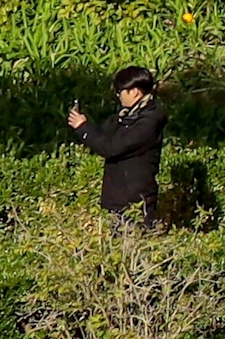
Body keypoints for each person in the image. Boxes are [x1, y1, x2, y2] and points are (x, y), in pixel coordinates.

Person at [67, 67, 165, 227]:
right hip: (118, 200)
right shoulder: (127, 116)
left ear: (134, 92)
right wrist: (85, 125)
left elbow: (111, 148)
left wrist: (83, 128)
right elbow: (103, 135)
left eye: (120, 91)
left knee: (132, 245)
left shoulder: (148, 122)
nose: (118, 95)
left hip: (134, 203)